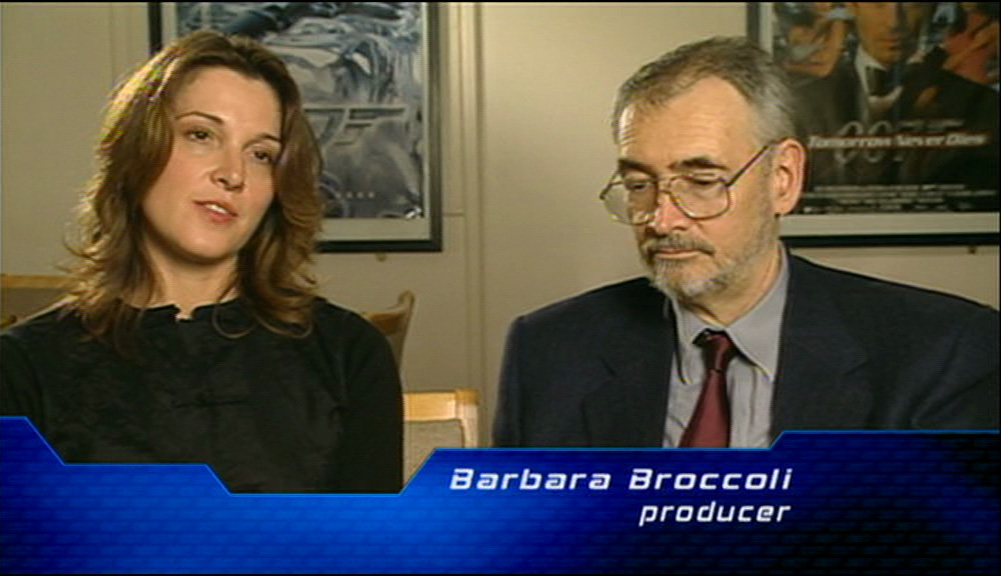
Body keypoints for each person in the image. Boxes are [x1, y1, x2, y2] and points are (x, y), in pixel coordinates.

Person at [493, 36, 999, 449]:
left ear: (783, 178)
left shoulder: (942, 351)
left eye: (701, 181)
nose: (662, 219)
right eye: (639, 184)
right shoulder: (549, 350)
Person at [0, 30, 403, 493]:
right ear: (138, 149)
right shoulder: (23, 368)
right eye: (201, 135)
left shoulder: (349, 355)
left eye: (261, 155)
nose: (232, 174)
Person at [793, 2, 999, 210]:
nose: (893, 23)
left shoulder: (982, 104)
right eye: (878, 5)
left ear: (931, 9)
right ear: (853, 7)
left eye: (911, 5)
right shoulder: (802, 103)